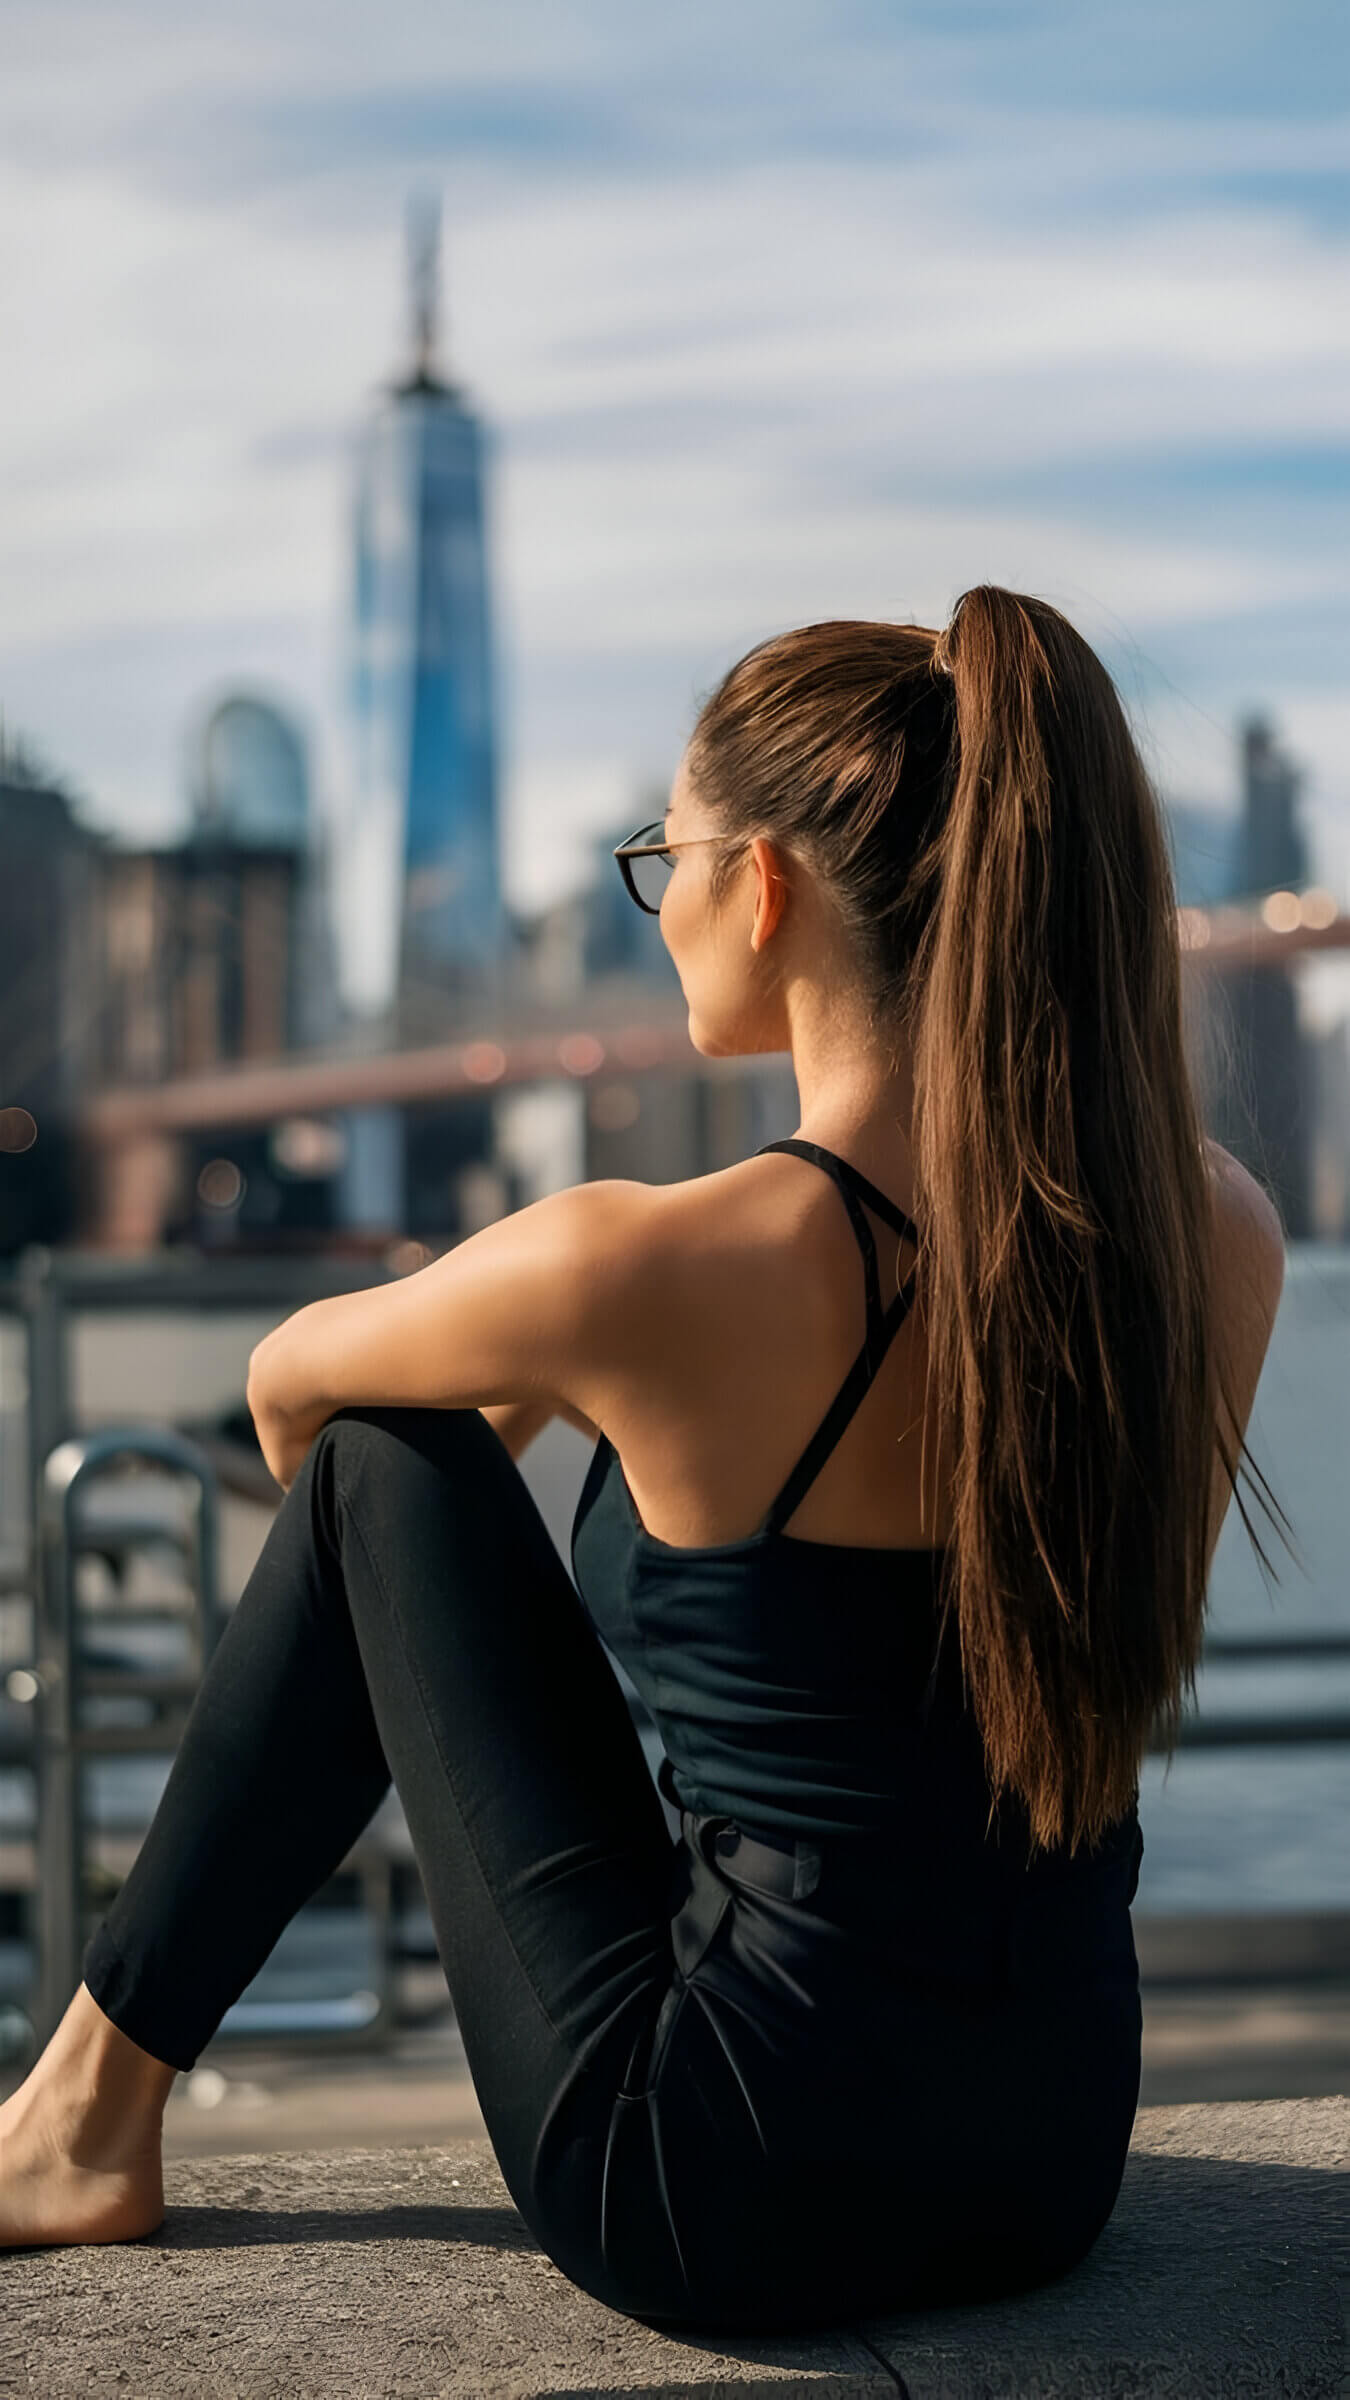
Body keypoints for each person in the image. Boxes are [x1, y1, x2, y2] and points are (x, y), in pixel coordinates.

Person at [0, 586, 1289, 2332]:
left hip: (727, 2186)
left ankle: (80, 2117)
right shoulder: (1213, 1231)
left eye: (656, 857)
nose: (654, 900)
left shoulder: (641, 1264)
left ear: (761, 887)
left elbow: (296, 1395)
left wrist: (506, 1429)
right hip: (1054, 2148)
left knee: (392, 1459)